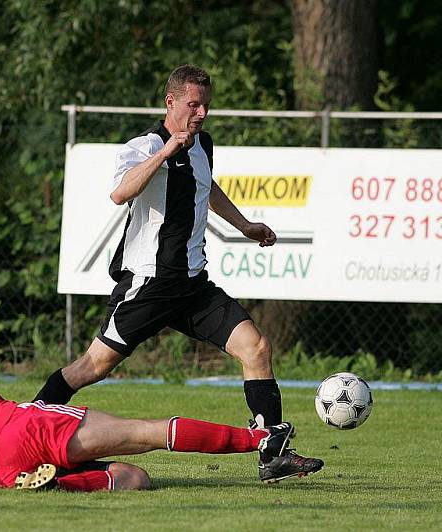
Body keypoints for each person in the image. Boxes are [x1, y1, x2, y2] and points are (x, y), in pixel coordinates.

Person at [33, 64, 323, 482]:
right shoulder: (145, 144)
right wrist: (167, 151)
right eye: (193, 104)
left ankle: (272, 454)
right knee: (89, 369)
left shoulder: (203, 143)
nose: (202, 112)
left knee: (256, 348)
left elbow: (208, 188)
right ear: (170, 102)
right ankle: (28, 427)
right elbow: (121, 191)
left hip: (192, 285)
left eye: (206, 104)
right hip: (149, 286)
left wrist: (244, 226)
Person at [0, 299, 318, 492]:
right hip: (24, 428)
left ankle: (54, 484)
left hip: (1, 472)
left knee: (135, 480)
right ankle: (260, 440)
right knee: (146, 431)